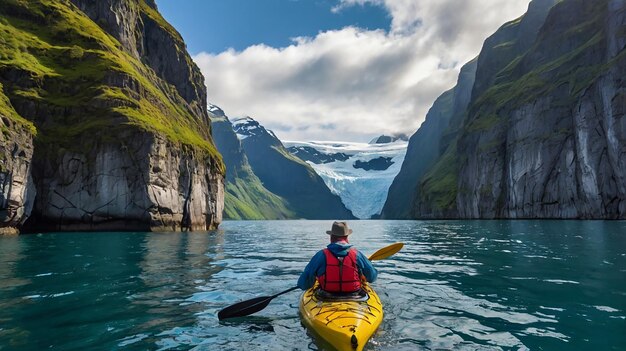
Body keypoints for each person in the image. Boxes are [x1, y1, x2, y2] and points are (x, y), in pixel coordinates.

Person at [297, 221, 377, 294]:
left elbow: (303, 284)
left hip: (326, 295)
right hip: (355, 295)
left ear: (331, 237)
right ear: (346, 237)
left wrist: (314, 279)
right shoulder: (357, 254)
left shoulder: (321, 255)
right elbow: (372, 277)